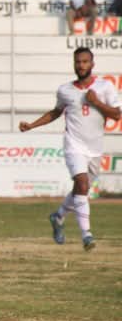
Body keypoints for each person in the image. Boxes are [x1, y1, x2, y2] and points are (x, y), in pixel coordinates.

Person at [19, 47, 120, 251]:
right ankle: (87, 236)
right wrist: (31, 125)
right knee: (81, 183)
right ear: (74, 64)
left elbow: (117, 115)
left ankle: (58, 217)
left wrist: (97, 102)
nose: (81, 65)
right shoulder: (65, 90)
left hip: (95, 148)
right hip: (74, 145)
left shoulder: (105, 87)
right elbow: (55, 112)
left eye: (85, 62)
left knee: (80, 190)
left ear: (92, 64)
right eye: (78, 62)